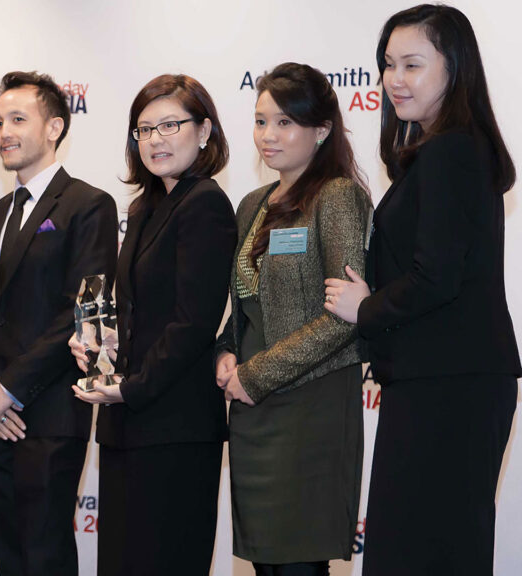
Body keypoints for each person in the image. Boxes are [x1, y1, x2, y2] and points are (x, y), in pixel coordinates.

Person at [324, 6, 520, 575]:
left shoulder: (452, 150)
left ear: (454, 69)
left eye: (412, 64)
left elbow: (437, 277)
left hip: (450, 386)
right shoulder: (442, 150)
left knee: (426, 551)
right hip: (441, 380)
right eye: (388, 64)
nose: (394, 79)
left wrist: (366, 308)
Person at [68, 73, 236, 576]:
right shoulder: (145, 208)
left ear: (204, 132)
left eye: (169, 125)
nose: (155, 140)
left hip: (175, 426)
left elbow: (193, 323)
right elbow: (144, 310)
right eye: (144, 130)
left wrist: (132, 387)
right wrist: (102, 344)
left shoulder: (204, 201)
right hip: (127, 423)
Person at [0, 70, 118, 576]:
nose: (4, 131)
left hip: (49, 413)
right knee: (7, 557)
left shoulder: (88, 205)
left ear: (54, 128)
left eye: (18, 119)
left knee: (44, 556)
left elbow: (81, 310)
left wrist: (11, 387)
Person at [213, 62, 372, 576]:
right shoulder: (252, 204)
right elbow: (242, 304)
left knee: (300, 566)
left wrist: (254, 376)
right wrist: (225, 352)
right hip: (253, 409)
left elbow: (344, 316)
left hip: (312, 404)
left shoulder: (338, 196)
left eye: (284, 122)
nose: (268, 135)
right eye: (261, 121)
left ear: (321, 130)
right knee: (267, 566)